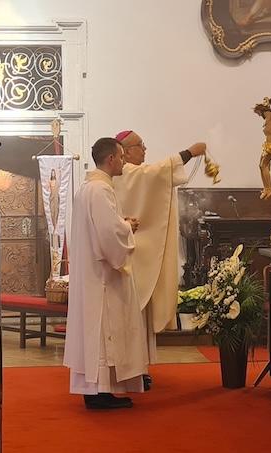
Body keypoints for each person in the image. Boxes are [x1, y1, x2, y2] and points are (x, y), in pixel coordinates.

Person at [113, 130, 206, 389]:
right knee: (132, 318)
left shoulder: (131, 173)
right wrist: (190, 152)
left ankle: (138, 368)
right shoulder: (125, 173)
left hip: (137, 256)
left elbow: (156, 175)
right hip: (129, 257)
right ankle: (130, 370)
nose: (145, 149)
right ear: (125, 151)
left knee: (138, 318)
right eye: (140, 145)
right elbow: (157, 173)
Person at [63, 137, 148, 409]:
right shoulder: (100, 190)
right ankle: (99, 393)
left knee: (96, 332)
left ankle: (97, 390)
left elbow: (103, 227)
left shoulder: (87, 188)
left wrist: (121, 224)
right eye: (121, 157)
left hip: (91, 272)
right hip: (102, 277)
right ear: (111, 159)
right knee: (103, 331)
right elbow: (109, 235)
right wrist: (128, 228)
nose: (124, 162)